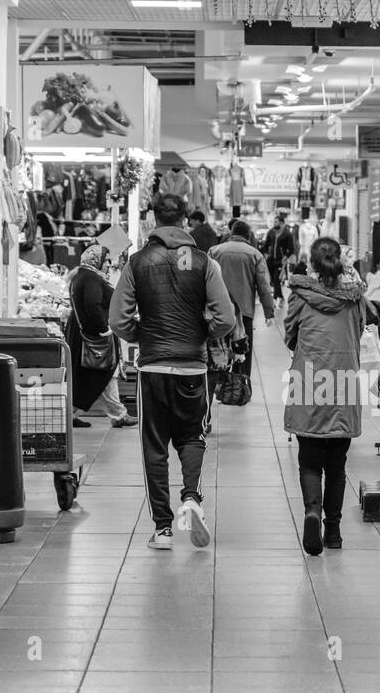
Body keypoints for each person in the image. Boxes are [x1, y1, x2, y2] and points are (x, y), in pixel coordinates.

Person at [109, 193, 236, 551]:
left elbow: (117, 320)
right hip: (193, 368)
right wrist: (202, 334)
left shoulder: (137, 262)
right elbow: (225, 318)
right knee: (192, 436)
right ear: (185, 220)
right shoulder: (204, 262)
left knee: (154, 447)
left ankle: (163, 529)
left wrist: (143, 335)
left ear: (152, 218)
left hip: (152, 369)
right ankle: (192, 498)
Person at [283, 237, 380, 556]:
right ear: (342, 264)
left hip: (309, 379)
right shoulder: (355, 299)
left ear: (311, 264)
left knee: (309, 459)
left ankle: (311, 511)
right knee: (337, 463)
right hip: (342, 380)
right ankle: (334, 530)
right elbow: (360, 331)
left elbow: (290, 336)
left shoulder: (300, 295)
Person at [64, 244, 136, 428]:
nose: (107, 265)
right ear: (96, 260)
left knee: (94, 375)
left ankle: (72, 413)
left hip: (83, 336)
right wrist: (103, 329)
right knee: (104, 372)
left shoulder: (82, 275)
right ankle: (118, 415)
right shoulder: (91, 279)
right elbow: (92, 305)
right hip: (93, 337)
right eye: (105, 261)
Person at [208, 219, 276, 378]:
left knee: (218, 348)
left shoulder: (214, 251)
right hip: (244, 311)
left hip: (218, 310)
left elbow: (204, 281)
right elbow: (264, 286)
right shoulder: (255, 254)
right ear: (248, 236)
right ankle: (240, 385)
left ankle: (219, 384)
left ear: (232, 233)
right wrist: (269, 312)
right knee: (242, 349)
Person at [262, 214, 296, 303]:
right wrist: (265, 254)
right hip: (270, 260)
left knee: (277, 279)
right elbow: (265, 245)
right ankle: (280, 296)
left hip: (280, 260)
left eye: (276, 222)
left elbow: (291, 248)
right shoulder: (271, 232)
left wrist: (286, 257)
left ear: (281, 223)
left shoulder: (287, 234)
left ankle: (275, 298)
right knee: (273, 280)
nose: (274, 223)